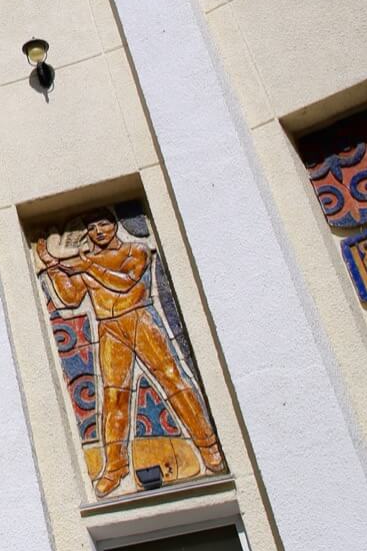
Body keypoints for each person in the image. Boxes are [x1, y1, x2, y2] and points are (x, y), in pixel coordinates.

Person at [36, 212, 225, 496]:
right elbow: (72, 298)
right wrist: (54, 267)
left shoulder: (134, 250)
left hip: (140, 319)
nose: (99, 231)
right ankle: (115, 467)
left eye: (104, 224)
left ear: (116, 225)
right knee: (114, 398)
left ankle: (208, 446)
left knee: (173, 381)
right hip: (108, 328)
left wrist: (83, 263)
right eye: (92, 227)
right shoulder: (88, 264)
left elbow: (124, 280)